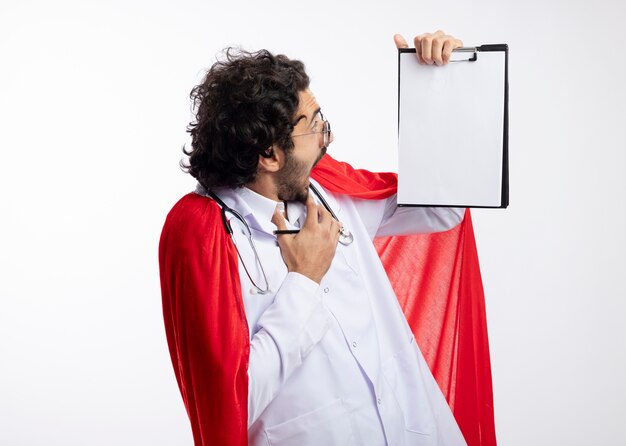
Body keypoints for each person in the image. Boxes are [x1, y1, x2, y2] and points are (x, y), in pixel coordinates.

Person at [160, 31, 493, 446]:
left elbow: (444, 209)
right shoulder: (208, 237)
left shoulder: (330, 190)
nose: (328, 137)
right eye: (315, 125)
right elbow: (232, 402)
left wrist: (439, 87)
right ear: (269, 155)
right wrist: (304, 281)